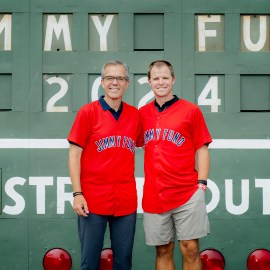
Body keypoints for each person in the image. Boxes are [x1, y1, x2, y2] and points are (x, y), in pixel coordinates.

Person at [68, 60, 143, 270]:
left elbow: (149, 144)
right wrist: (77, 193)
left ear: (127, 83)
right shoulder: (88, 112)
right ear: (102, 82)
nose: (114, 82)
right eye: (110, 78)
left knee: (123, 262)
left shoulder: (135, 115)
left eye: (120, 78)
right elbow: (74, 154)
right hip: (92, 200)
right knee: (89, 262)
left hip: (125, 200)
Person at [139, 60, 212, 270]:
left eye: (165, 77)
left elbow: (202, 148)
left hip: (187, 191)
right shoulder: (142, 114)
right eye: (156, 78)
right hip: (155, 194)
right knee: (163, 249)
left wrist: (201, 183)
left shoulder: (191, 110)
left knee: (190, 247)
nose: (160, 82)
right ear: (149, 82)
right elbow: (140, 143)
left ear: (173, 80)